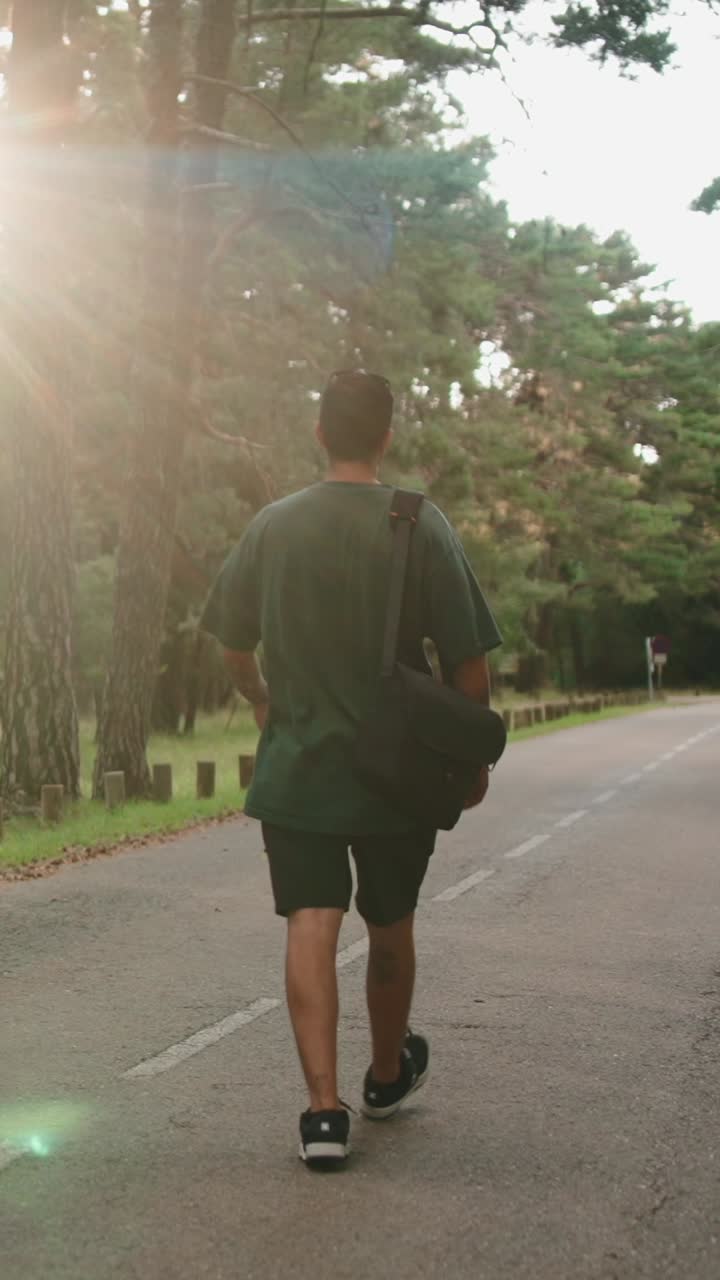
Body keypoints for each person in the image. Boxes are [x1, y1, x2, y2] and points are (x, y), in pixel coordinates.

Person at [200, 369, 502, 1168]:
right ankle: (387, 1075)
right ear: (386, 437)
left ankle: (322, 1114)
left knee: (311, 921)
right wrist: (470, 759)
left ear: (320, 434)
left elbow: (232, 644)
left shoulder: (273, 526)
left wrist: (262, 701)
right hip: (399, 773)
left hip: (297, 770)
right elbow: (468, 661)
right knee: (390, 922)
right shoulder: (419, 522)